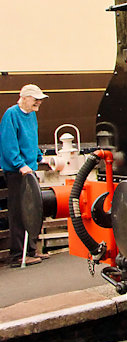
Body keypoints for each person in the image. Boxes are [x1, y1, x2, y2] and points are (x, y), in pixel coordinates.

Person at [1, 84, 50, 266]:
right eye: (36, 99)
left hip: (29, 169)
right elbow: (8, 144)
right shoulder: (12, 115)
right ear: (24, 98)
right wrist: (20, 164)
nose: (39, 102)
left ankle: (30, 250)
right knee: (18, 212)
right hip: (17, 172)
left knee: (32, 209)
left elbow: (31, 139)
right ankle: (17, 254)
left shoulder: (31, 115)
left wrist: (39, 157)